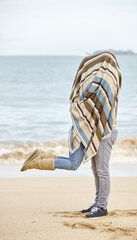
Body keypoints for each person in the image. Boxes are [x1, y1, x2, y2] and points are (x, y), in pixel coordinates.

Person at [21, 51, 122, 218]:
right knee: (95, 169)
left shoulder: (109, 80)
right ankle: (98, 203)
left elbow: (102, 104)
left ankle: (102, 207)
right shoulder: (92, 83)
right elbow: (81, 103)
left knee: (101, 170)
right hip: (90, 130)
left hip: (106, 131)